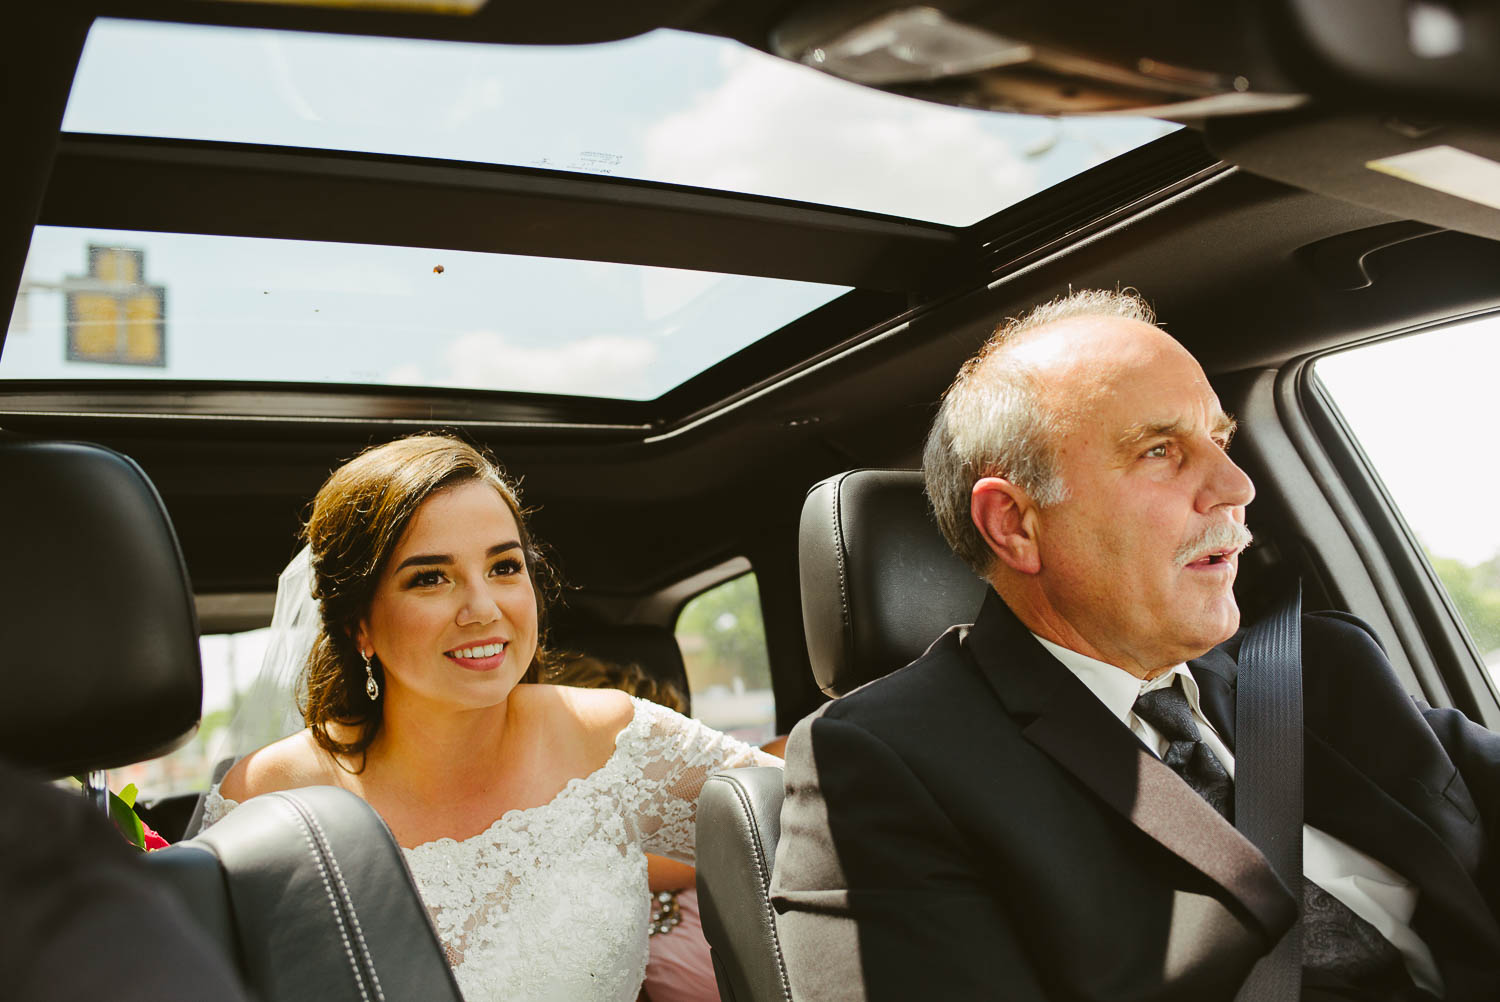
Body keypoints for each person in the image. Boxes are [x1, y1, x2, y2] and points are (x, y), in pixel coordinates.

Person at [770, 290, 1500, 1001]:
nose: (1237, 486)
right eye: (1160, 450)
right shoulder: (885, 767)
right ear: (1016, 525)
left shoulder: (1325, 667)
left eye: (1218, 442)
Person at [204, 434, 779, 1002]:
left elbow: (813, 824)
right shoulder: (266, 796)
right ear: (360, 625)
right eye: (430, 577)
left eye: (504, 567)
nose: (483, 608)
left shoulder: (612, 740)